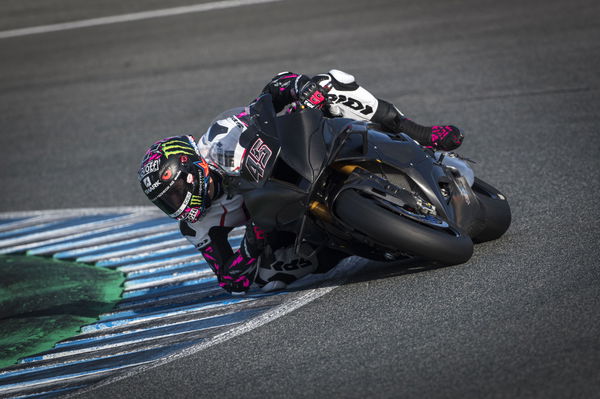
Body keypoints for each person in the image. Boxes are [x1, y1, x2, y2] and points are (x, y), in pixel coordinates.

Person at [138, 69, 464, 294]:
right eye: (166, 200)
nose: (177, 203)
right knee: (264, 279)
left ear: (194, 168)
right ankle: (345, 249)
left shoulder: (220, 136)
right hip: (281, 218)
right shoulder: (196, 227)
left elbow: (268, 97)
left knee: (330, 82)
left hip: (304, 151)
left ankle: (418, 132)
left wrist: (297, 87)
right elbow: (230, 279)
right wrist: (252, 245)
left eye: (177, 191)